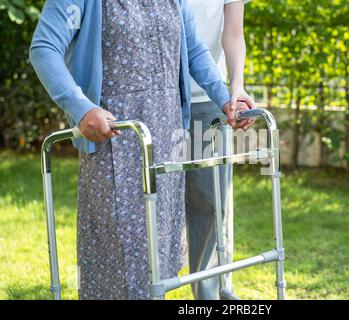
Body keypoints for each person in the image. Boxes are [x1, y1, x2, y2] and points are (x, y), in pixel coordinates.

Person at [30, 0, 252, 300]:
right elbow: (44, 48)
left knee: (155, 266)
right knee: (123, 262)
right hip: (115, 146)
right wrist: (81, 108)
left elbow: (195, 51)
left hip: (165, 146)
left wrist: (226, 98)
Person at [186, 0, 254, 300]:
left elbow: (234, 33)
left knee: (212, 201)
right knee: (150, 201)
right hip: (155, 96)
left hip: (208, 97)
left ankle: (211, 293)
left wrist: (235, 88)